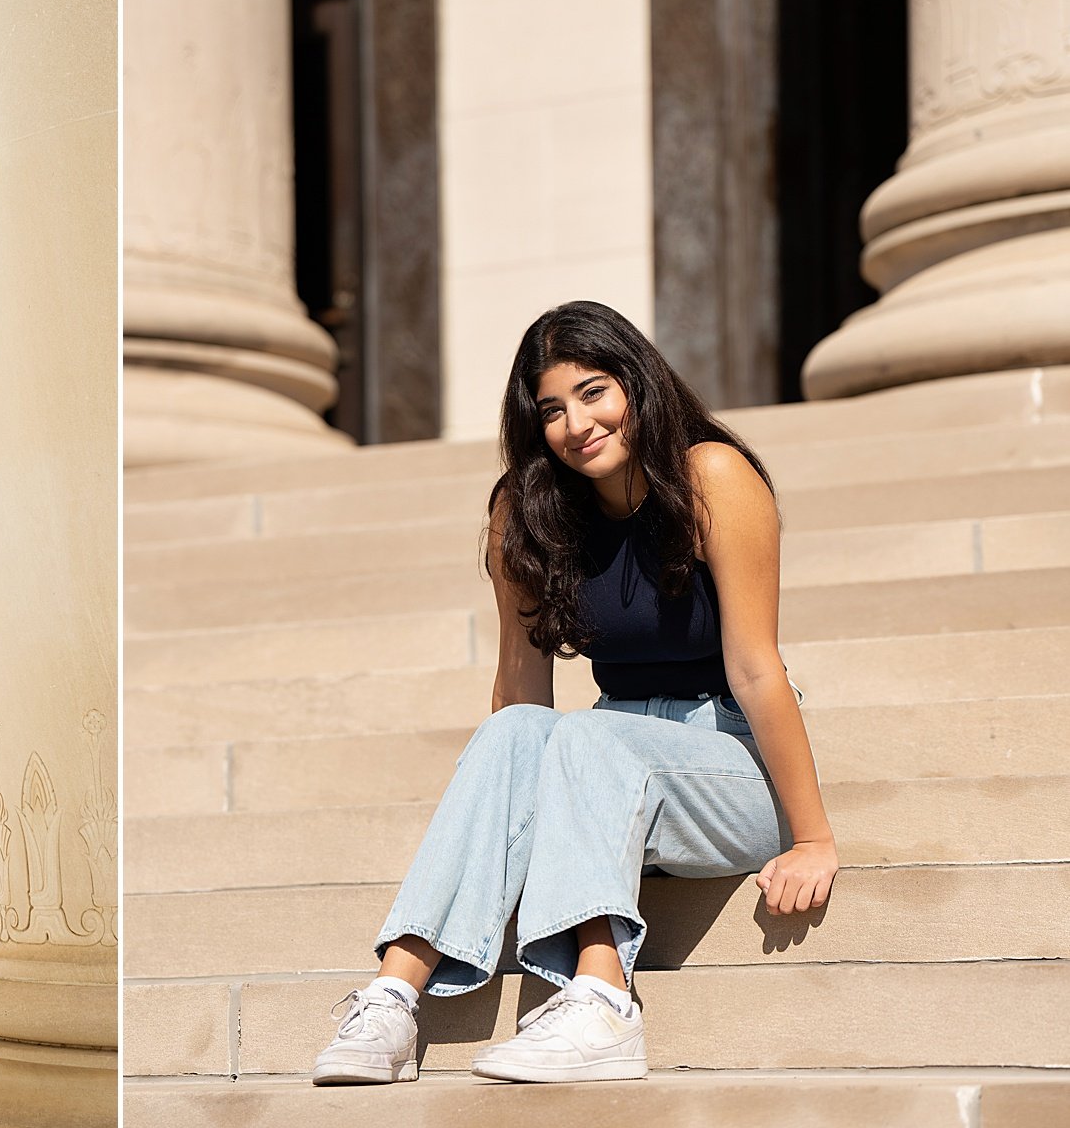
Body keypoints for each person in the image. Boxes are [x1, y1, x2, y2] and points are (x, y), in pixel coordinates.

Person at [312, 300, 839, 1086]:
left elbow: (758, 668)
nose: (576, 423)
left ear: (638, 381)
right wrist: (520, 828)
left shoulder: (713, 478)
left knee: (589, 736)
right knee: (519, 729)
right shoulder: (523, 513)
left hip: (730, 763)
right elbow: (519, 696)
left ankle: (602, 1001)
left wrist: (812, 837)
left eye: (593, 391)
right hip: (607, 768)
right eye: (552, 409)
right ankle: (393, 997)